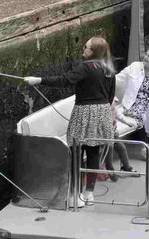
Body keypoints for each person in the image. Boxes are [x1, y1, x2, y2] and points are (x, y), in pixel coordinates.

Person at [23, 36, 116, 205]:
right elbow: (110, 96)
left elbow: (64, 80)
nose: (83, 49)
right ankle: (89, 193)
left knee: (77, 153)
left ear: (93, 51)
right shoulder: (108, 68)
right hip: (102, 112)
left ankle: (76, 194)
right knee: (94, 152)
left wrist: (39, 80)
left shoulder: (86, 67)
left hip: (84, 112)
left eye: (86, 47)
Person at [110, 45, 149, 172]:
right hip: (132, 106)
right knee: (145, 117)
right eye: (146, 54)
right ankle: (146, 147)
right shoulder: (135, 67)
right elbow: (117, 79)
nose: (145, 57)